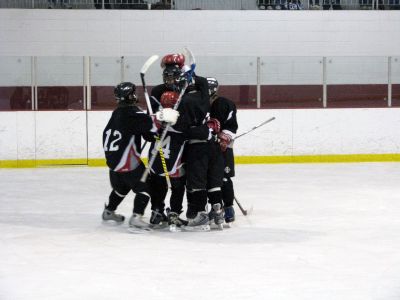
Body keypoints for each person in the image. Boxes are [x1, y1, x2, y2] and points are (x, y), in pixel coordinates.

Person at [151, 53, 219, 231]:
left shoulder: (194, 90)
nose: (169, 79)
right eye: (166, 75)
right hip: (172, 143)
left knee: (195, 178)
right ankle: (160, 210)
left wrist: (205, 129)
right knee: (164, 178)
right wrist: (159, 118)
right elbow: (153, 119)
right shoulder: (158, 91)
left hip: (194, 142)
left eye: (173, 75)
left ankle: (200, 211)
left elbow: (198, 115)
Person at [101, 82, 179, 231]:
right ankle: (136, 218)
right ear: (131, 96)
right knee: (145, 189)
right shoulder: (133, 113)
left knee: (121, 189)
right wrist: (163, 116)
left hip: (113, 164)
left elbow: (145, 131)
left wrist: (152, 130)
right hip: (127, 163)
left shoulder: (117, 112)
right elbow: (152, 124)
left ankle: (109, 211)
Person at [147, 91, 188, 230]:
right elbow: (187, 131)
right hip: (174, 164)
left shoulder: (155, 118)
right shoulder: (181, 119)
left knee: (158, 185)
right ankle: (174, 214)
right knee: (178, 186)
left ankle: (156, 211)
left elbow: (149, 131)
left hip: (155, 161)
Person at [207, 77, 239, 224]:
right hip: (207, 147)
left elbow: (232, 125)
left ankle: (229, 208)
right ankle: (216, 208)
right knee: (211, 179)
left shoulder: (225, 104)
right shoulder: (200, 103)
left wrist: (224, 137)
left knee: (225, 178)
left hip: (223, 147)